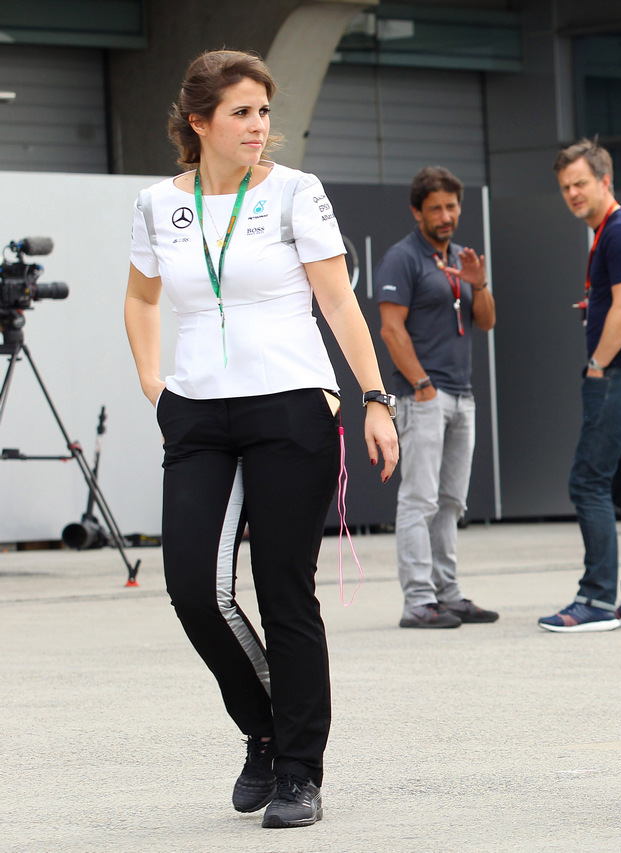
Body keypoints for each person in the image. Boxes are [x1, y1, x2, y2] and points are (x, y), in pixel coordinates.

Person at [124, 49, 399, 828]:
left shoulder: (293, 194)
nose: (259, 127)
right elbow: (141, 300)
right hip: (199, 415)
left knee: (283, 590)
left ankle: (299, 770)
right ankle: (265, 723)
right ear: (199, 121)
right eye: (242, 112)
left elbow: (340, 303)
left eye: (264, 112)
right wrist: (156, 383)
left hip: (289, 407)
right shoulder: (155, 206)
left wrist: (374, 396)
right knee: (193, 590)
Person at [538, 139, 621, 632]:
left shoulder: (617, 231)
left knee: (587, 481)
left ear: (604, 182)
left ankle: (594, 599)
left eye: (580, 183)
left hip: (619, 378)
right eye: (565, 186)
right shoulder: (616, 230)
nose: (572, 193)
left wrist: (596, 362)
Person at [377, 167, 500, 628]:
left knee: (451, 501)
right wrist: (423, 386)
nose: (446, 216)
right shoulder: (402, 258)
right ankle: (418, 602)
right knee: (419, 500)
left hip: (462, 395)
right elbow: (391, 330)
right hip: (422, 397)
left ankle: (447, 593)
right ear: (417, 211)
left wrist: (479, 283)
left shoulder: (459, 260)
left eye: (452, 206)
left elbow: (486, 322)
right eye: (436, 208)